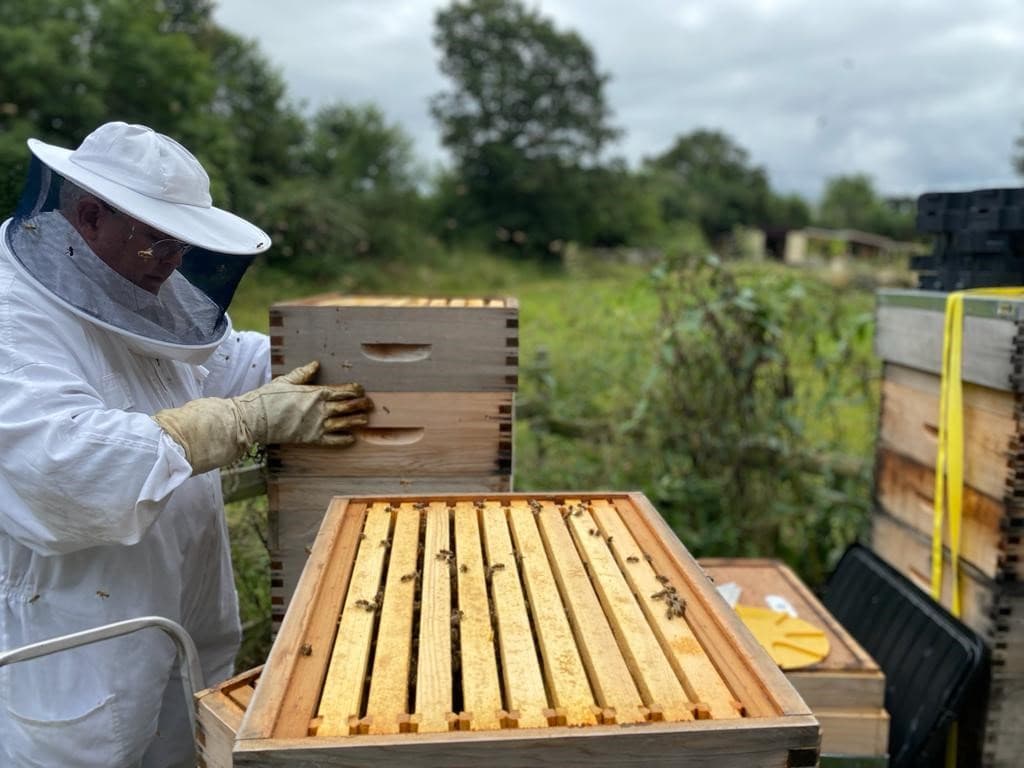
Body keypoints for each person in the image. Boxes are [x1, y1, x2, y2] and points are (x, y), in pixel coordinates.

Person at [0, 121, 373, 767]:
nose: (174, 262)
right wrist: (240, 423)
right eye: (160, 242)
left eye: (183, 244)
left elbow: (222, 362)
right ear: (89, 216)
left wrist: (345, 347)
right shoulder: (13, 316)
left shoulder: (133, 285)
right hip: (76, 638)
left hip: (177, 619)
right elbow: (62, 468)